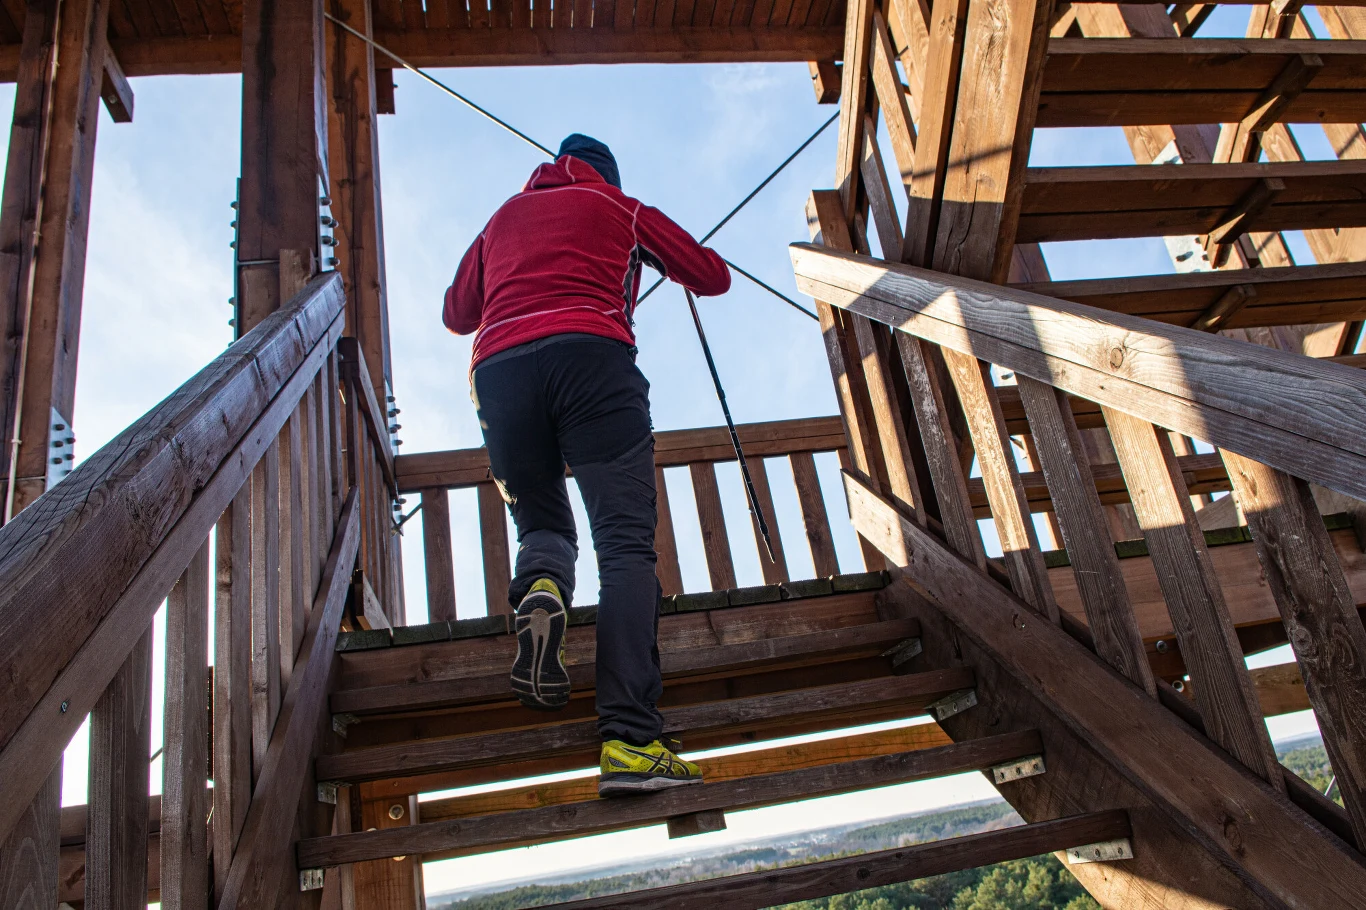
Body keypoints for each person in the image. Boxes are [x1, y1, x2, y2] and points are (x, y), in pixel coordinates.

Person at [443, 134, 731, 796]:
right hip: (593, 359)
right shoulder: (619, 206)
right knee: (625, 547)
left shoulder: (500, 219)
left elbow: (456, 314)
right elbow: (711, 277)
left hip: (499, 372)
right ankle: (630, 741)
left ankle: (542, 586)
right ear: (608, 174)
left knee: (541, 522)